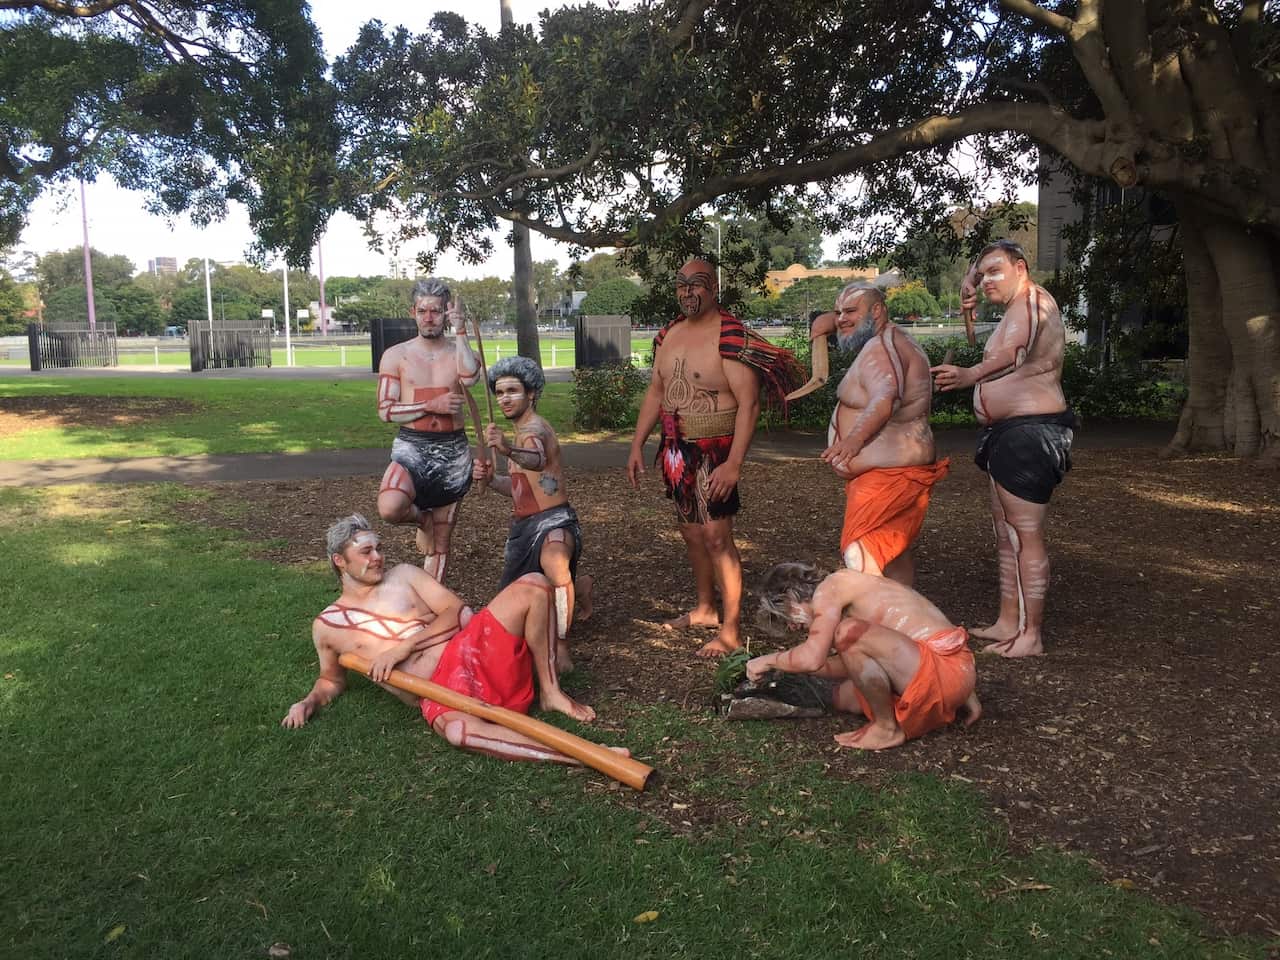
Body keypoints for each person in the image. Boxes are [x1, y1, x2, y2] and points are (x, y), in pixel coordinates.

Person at [281, 515, 606, 766]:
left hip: (471, 654)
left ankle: (551, 692)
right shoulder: (328, 626)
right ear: (339, 561)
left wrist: (403, 648)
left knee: (534, 583)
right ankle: (583, 757)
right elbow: (330, 680)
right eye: (366, 551)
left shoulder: (404, 575)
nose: (378, 557)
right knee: (457, 733)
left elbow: (458, 613)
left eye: (379, 548)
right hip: (439, 692)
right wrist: (308, 702)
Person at [627, 256, 802, 658]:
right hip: (677, 451)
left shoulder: (731, 336)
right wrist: (637, 444)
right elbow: (656, 392)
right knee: (691, 533)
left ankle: (731, 631)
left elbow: (749, 405)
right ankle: (705, 609)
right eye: (681, 284)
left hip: (716, 451)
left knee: (717, 537)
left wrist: (734, 463)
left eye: (697, 283)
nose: (688, 291)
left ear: (714, 288)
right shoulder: (668, 334)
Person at [930, 240, 1074, 658]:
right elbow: (993, 344)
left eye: (995, 272)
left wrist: (969, 375)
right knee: (1006, 533)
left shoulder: (1032, 303)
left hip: (1030, 433)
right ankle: (1009, 621)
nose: (986, 281)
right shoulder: (1013, 310)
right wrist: (968, 290)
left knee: (1024, 534)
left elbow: (1015, 355)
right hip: (1007, 432)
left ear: (1021, 269)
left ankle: (1030, 635)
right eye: (982, 275)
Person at [747, 563, 980, 750]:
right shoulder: (853, 586)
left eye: (787, 615)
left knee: (847, 632)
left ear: (791, 595)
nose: (792, 627)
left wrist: (768, 660)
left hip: (943, 670)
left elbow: (812, 658)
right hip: (952, 671)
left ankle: (885, 728)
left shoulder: (829, 590)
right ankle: (940, 699)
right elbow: (851, 664)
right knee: (847, 696)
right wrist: (784, 667)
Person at [811, 283, 949, 585]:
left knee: (860, 557)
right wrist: (829, 322)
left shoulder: (883, 349)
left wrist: (854, 440)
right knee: (893, 555)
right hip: (893, 473)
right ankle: (901, 613)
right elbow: (852, 326)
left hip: (889, 476)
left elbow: (885, 397)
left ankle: (876, 615)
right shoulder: (892, 340)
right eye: (838, 312)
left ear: (877, 311)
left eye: (850, 311)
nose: (842, 319)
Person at [472, 356, 592, 668]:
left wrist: (508, 450)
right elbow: (520, 488)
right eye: (500, 392)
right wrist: (490, 479)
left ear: (531, 394)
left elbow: (536, 460)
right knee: (510, 606)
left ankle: (561, 644)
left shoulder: (533, 430)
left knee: (554, 564)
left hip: (555, 520)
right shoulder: (519, 433)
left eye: (512, 391)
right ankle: (580, 587)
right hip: (523, 528)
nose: (504, 399)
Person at [375, 278, 482, 583]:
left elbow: (470, 378)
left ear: (446, 313)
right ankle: (424, 519)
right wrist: (431, 405)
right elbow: (385, 410)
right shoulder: (396, 355)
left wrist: (460, 330)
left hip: (453, 451)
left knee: (440, 545)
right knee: (390, 507)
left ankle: (428, 603)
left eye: (436, 311)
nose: (429, 318)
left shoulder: (458, 351)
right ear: (413, 312)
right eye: (423, 311)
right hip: (412, 447)